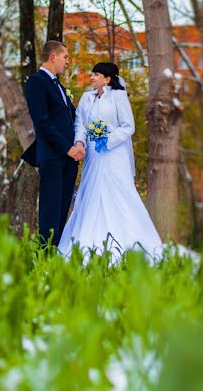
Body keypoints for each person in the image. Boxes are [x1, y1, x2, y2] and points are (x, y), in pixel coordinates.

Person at [58, 62, 165, 263]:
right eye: (92, 74)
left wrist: (107, 140)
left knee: (118, 194)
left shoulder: (118, 96)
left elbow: (128, 127)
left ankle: (130, 242)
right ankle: (88, 242)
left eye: (96, 74)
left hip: (115, 155)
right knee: (90, 194)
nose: (91, 77)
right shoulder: (86, 98)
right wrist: (80, 141)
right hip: (94, 155)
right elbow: (80, 122)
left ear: (107, 79)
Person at [23, 41, 85, 247]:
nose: (68, 61)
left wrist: (80, 142)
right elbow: (42, 121)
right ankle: (45, 256)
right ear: (53, 57)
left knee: (62, 211)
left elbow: (72, 118)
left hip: (68, 159)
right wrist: (67, 148)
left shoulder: (60, 87)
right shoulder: (36, 82)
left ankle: (56, 254)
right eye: (65, 57)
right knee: (50, 211)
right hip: (52, 156)